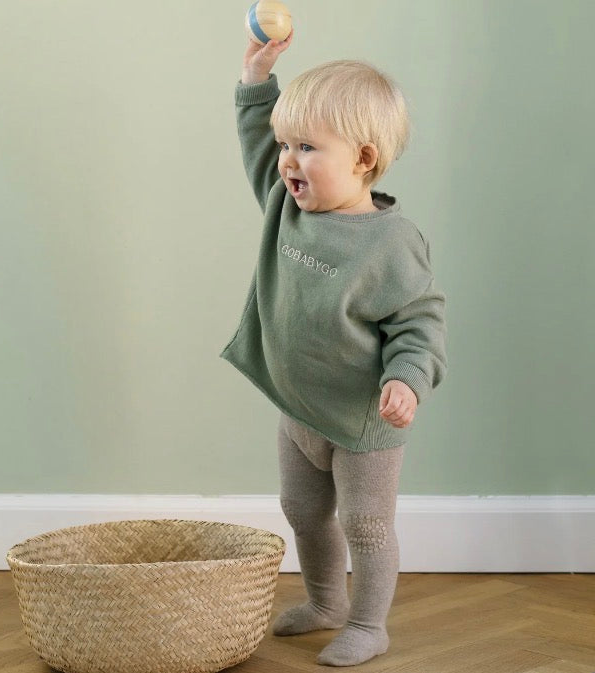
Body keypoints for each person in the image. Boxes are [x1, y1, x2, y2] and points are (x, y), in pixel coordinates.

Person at [220, 29, 447, 667]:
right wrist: (256, 78)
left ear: (363, 158)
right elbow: (255, 139)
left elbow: (420, 323)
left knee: (365, 526)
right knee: (302, 510)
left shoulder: (392, 243)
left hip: (362, 419)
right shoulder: (285, 205)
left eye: (307, 147)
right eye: (285, 145)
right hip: (299, 407)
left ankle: (369, 625)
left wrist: (407, 378)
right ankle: (326, 603)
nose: (287, 161)